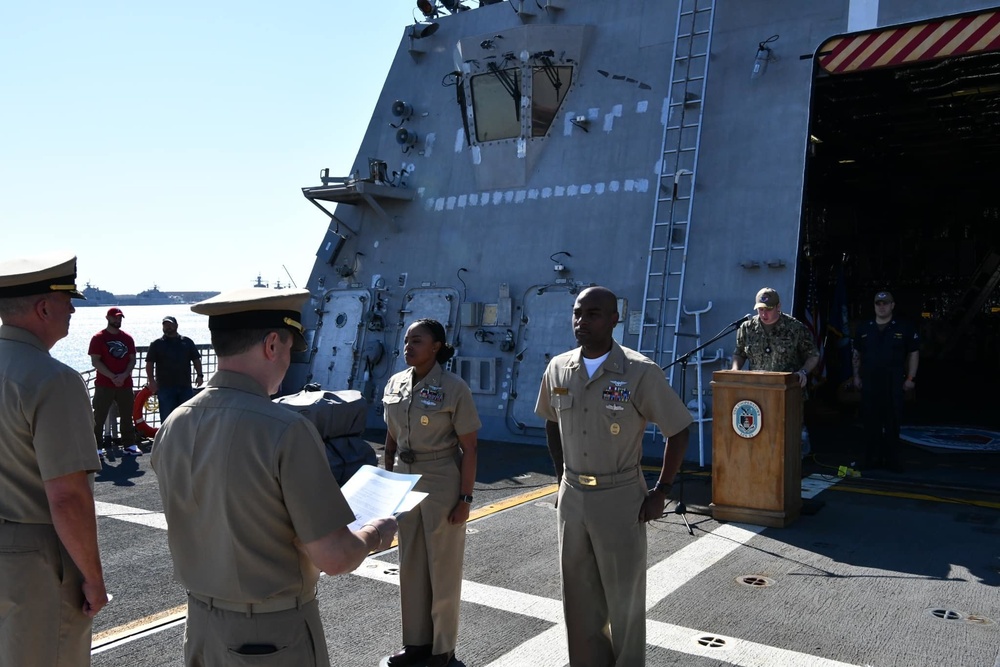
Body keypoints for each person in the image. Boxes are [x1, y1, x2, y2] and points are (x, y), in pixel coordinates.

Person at [151, 287, 397, 667]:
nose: (288, 363)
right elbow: (334, 557)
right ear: (271, 345)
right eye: (288, 350)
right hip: (270, 639)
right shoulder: (285, 429)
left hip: (201, 629)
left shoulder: (174, 423)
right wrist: (376, 534)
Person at [535, 286, 692, 667]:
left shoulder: (639, 372)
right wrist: (560, 479)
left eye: (592, 314)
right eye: (577, 313)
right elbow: (552, 423)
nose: (581, 321)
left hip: (620, 496)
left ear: (613, 320)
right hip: (573, 497)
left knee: (624, 599)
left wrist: (662, 490)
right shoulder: (559, 367)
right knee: (578, 597)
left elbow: (679, 428)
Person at [0, 251, 109, 666]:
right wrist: (94, 580)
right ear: (44, 307)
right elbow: (67, 498)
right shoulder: (53, 380)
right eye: (67, 300)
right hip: (35, 559)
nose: (73, 310)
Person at [382, 319, 480, 667]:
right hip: (405, 480)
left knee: (443, 567)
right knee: (410, 565)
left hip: (440, 479)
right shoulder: (395, 383)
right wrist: (387, 481)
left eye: (417, 340)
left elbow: (469, 448)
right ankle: (416, 644)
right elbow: (391, 440)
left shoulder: (454, 388)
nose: (408, 346)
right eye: (406, 340)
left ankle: (443, 650)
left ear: (436, 346)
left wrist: (465, 499)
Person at [852, 290, 919, 471]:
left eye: (885, 303)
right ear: (874, 306)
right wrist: (856, 376)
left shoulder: (904, 328)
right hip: (870, 383)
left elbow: (913, 353)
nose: (881, 307)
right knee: (870, 422)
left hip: (894, 382)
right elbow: (857, 353)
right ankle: (869, 460)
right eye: (878, 304)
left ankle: (892, 461)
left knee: (892, 423)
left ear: (892, 305)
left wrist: (911, 378)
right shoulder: (865, 328)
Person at [731, 287, 820, 386]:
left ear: (778, 307)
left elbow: (813, 355)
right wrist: (735, 370)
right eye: (760, 309)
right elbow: (739, 353)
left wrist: (803, 372)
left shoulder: (795, 328)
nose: (764, 314)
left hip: (787, 389)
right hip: (757, 388)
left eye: (769, 309)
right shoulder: (747, 328)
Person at [89, 306, 140, 456]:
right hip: (104, 384)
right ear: (108, 318)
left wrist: (124, 375)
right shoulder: (98, 338)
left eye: (120, 317)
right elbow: (95, 361)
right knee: (99, 415)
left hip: (125, 384)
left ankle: (129, 445)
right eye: (115, 317)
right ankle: (96, 447)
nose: (117, 320)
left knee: (126, 414)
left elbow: (132, 360)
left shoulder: (127, 338)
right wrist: (112, 376)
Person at [145, 315, 204, 421]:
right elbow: (149, 363)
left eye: (170, 324)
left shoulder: (187, 342)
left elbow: (196, 359)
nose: (168, 327)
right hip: (165, 387)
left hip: (185, 386)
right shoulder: (156, 344)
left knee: (187, 417)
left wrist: (200, 375)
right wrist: (151, 381)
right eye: (165, 325)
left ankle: (185, 437)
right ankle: (166, 437)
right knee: (166, 418)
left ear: (176, 326)